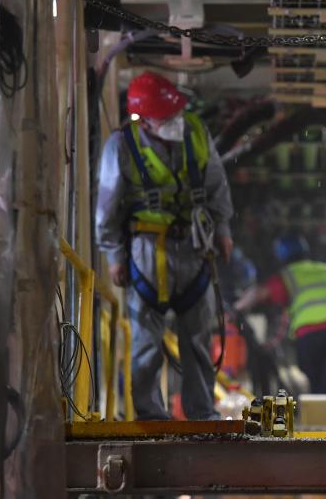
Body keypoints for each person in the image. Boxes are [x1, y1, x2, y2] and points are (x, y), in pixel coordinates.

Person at [95, 71, 234, 420]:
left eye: (175, 112)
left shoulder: (195, 131)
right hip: (147, 253)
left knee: (198, 338)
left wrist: (223, 229)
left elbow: (217, 183)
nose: (174, 121)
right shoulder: (121, 146)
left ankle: (202, 414)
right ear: (143, 119)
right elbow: (108, 205)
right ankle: (149, 416)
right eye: (165, 116)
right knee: (145, 341)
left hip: (194, 248)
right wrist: (114, 255)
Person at [233, 235, 326, 393]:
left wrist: (235, 308)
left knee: (315, 384)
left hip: (309, 333)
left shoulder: (288, 274)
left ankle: (320, 407)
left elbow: (259, 293)